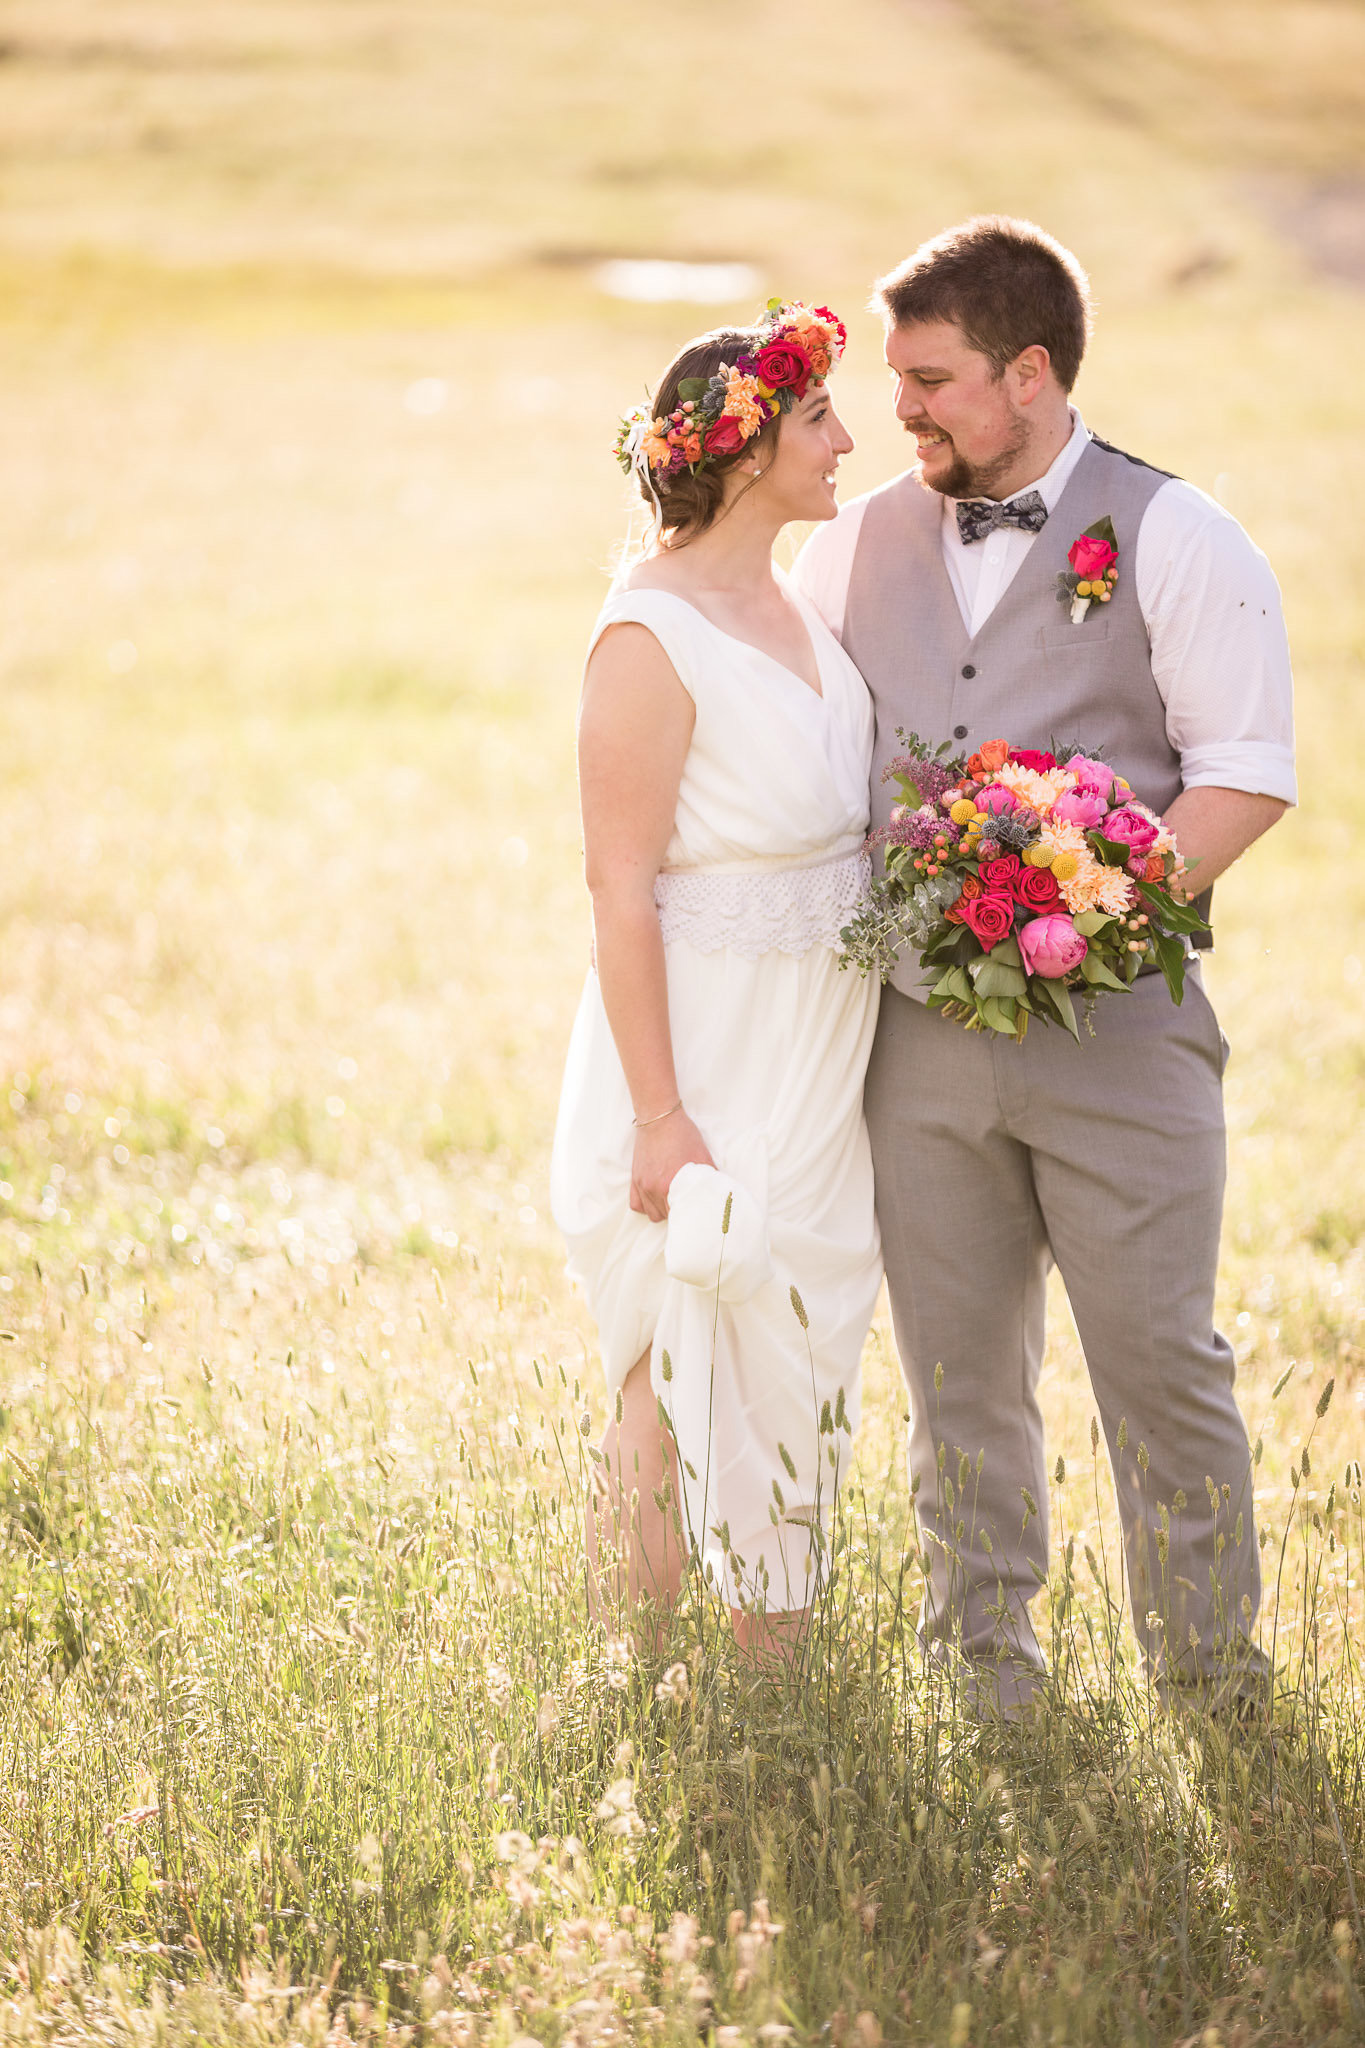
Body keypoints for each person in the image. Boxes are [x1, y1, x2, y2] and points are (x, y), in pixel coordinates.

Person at [794, 217, 1295, 1714]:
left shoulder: (1180, 535)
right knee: (955, 1381)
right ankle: (985, 1676)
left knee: (1156, 1364)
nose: (903, 408)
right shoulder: (854, 543)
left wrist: (1085, 903)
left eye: (933, 378)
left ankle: (1208, 1683)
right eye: (895, 378)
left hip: (1117, 1041)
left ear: (1028, 373)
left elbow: (1243, 776)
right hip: (912, 1051)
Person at [551, 303, 882, 1656]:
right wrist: (658, 1118)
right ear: (741, 453)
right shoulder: (649, 635)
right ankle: (632, 1694)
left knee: (792, 1355)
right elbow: (616, 888)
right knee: (678, 1367)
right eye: (817, 419)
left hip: (817, 1052)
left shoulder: (801, 599)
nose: (847, 440)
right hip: (698, 1053)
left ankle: (775, 1707)